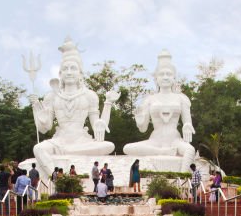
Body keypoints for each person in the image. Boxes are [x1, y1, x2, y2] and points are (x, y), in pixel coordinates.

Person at [29, 37, 119, 171]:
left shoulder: (89, 96)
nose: (69, 72)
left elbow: (98, 128)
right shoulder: (52, 96)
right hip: (59, 141)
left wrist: (108, 103)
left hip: (82, 142)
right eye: (65, 69)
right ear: (60, 73)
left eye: (73, 68)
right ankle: (56, 177)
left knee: (108, 146)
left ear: (80, 73)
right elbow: (44, 128)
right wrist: (37, 110)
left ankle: (67, 155)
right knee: (38, 148)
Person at [122, 50, 197, 171]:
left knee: (190, 150)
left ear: (174, 78)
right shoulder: (149, 100)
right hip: (155, 140)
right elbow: (143, 129)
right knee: (127, 148)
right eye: (161, 74)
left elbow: (187, 122)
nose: (165, 77)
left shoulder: (181, 98)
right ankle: (163, 152)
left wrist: (187, 126)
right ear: (156, 78)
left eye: (168, 74)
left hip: (175, 140)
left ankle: (183, 176)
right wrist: (139, 120)